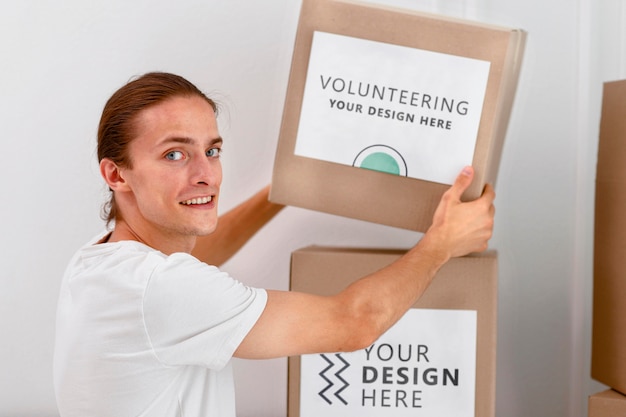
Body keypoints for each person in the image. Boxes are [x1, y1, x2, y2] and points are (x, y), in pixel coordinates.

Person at [53, 72, 495, 417]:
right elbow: (355, 323)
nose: (206, 173)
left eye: (213, 150)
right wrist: (442, 243)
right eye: (175, 154)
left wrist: (283, 188)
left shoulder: (100, 260)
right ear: (116, 174)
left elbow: (194, 254)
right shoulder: (160, 289)